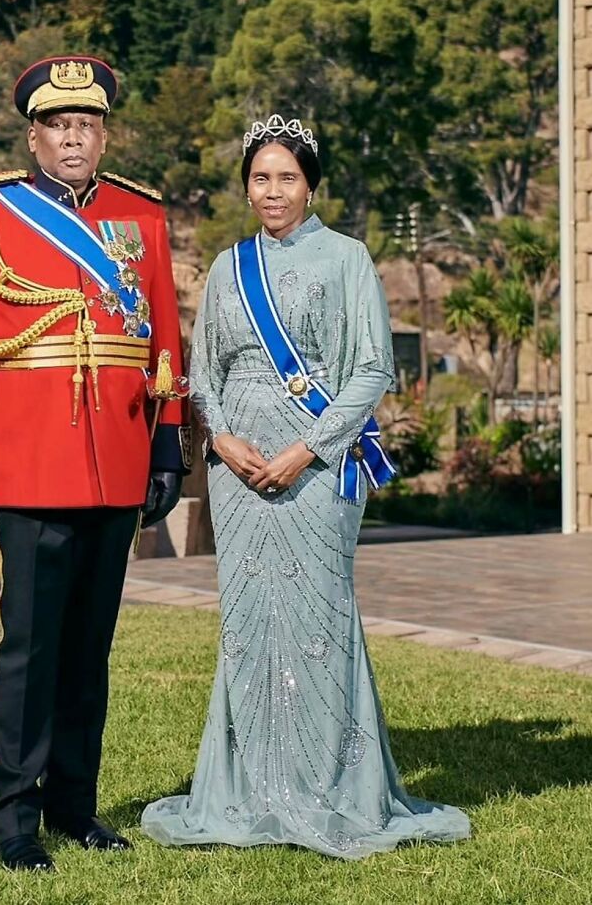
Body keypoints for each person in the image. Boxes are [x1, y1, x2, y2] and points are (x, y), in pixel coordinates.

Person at [141, 114, 470, 858]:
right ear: (247, 187)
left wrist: (307, 450)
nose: (273, 190)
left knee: (319, 622)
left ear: (312, 185)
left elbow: (374, 370)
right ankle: (246, 790)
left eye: (287, 176)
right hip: (237, 469)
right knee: (249, 624)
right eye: (260, 177)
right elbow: (207, 372)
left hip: (318, 467)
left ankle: (330, 793)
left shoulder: (349, 258)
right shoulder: (227, 266)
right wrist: (219, 437)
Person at [0, 55, 191, 872]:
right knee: (30, 650)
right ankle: (13, 818)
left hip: (115, 458)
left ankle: (77, 806)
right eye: (61, 126)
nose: (76, 140)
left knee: (89, 649)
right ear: (34, 134)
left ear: (104, 132)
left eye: (89, 126)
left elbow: (165, 341)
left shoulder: (141, 216)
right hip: (27, 460)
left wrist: (166, 443)